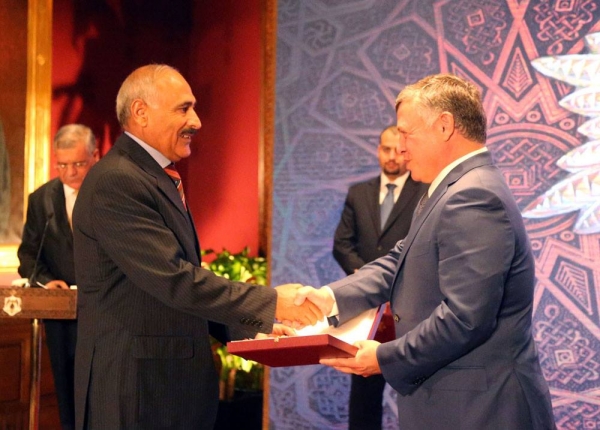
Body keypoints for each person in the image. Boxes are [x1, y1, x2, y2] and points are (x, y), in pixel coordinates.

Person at [297, 74, 556, 429]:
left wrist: (385, 357)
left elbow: (465, 317)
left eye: (406, 133)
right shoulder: (451, 189)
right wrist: (329, 298)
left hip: (481, 410)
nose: (401, 148)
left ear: (444, 126)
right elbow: (399, 261)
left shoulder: (473, 195)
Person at [71, 64, 322, 430]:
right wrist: (271, 303)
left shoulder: (151, 176)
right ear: (141, 112)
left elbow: (178, 281)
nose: (197, 121)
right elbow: (174, 279)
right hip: (136, 392)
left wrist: (249, 329)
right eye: (183, 109)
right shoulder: (118, 180)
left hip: (162, 389)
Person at [332, 125, 427, 429]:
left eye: (399, 150)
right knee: (364, 393)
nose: (392, 156)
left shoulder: (424, 193)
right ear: (378, 150)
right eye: (386, 149)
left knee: (417, 388)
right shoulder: (358, 193)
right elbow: (341, 244)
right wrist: (365, 278)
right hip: (366, 309)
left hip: (410, 308)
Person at [17, 124, 100, 430]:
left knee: (101, 392)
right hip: (61, 315)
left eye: (78, 163)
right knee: (67, 392)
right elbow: (28, 256)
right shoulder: (41, 199)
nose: (70, 172)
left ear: (95, 156)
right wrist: (46, 282)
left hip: (103, 309)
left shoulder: (110, 194)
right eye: (62, 165)